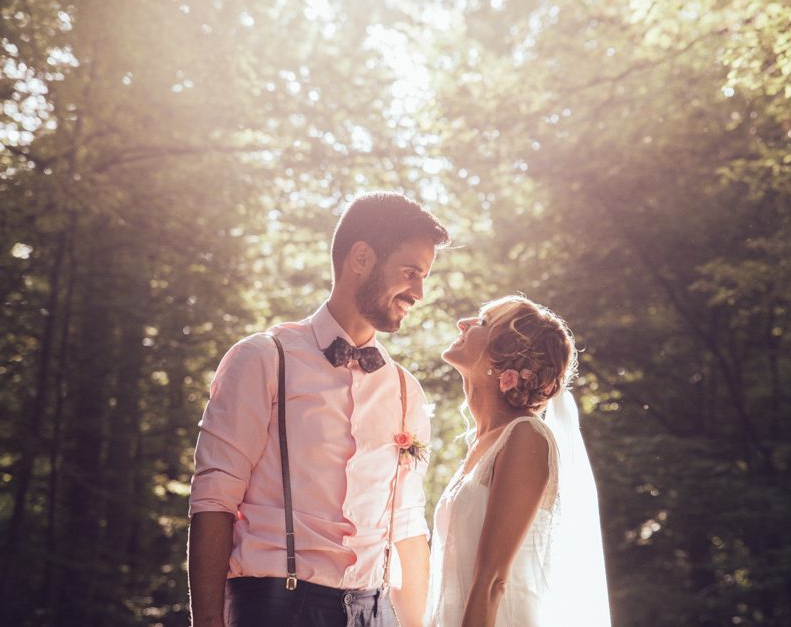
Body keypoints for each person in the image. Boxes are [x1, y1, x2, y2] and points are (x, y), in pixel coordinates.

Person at [188, 192, 450, 627]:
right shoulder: (263, 358)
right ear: (361, 258)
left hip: (376, 611)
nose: (419, 293)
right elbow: (213, 500)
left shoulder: (406, 390)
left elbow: (406, 522)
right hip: (272, 604)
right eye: (410, 273)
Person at [425, 295, 612, 626]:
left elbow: (493, 581)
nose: (463, 323)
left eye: (482, 322)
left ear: (502, 355)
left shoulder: (525, 437)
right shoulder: (482, 443)